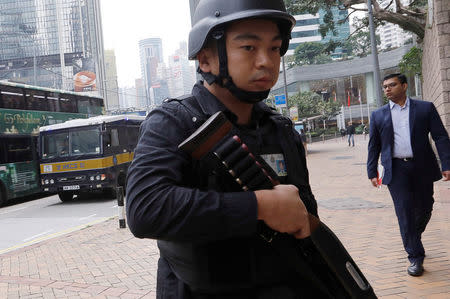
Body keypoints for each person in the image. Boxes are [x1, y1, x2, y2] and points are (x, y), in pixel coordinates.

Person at [126, 0, 322, 297]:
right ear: (205, 60)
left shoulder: (280, 129)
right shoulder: (174, 123)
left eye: (274, 48)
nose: (266, 62)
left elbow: (302, 214)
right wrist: (260, 206)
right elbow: (145, 209)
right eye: (249, 48)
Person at [367, 73, 450, 277]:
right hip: (396, 169)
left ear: (404, 86)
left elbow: (440, 136)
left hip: (422, 166)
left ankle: (413, 235)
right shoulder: (378, 115)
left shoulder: (425, 108)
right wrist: (371, 171)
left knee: (425, 207)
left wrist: (447, 163)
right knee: (404, 211)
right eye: (385, 86)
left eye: (392, 85)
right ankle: (415, 256)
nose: (387, 89)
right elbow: (374, 145)